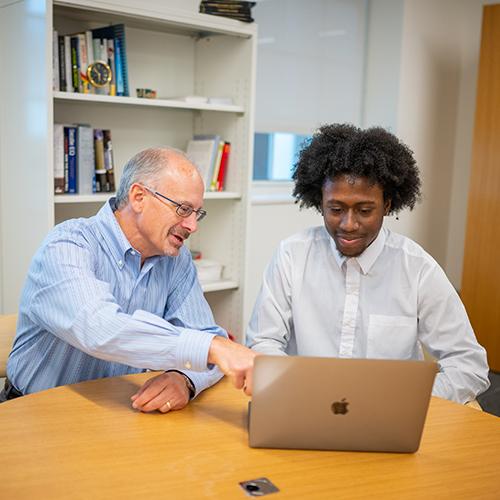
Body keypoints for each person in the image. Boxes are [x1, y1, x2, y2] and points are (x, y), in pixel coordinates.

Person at [247, 124, 490, 404]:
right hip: (305, 404)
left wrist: (408, 400)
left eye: (364, 210)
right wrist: (300, 388)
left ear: (387, 204)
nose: (348, 225)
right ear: (320, 203)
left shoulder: (417, 269)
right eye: (335, 209)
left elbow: (468, 365)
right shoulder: (292, 255)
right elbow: (262, 343)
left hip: (393, 414)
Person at [2, 147, 256, 410]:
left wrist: (185, 379)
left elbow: (205, 334)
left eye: (197, 213)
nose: (193, 226)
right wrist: (212, 348)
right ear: (138, 197)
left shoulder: (176, 260)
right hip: (32, 414)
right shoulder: (68, 244)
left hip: (116, 416)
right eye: (183, 209)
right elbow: (99, 328)